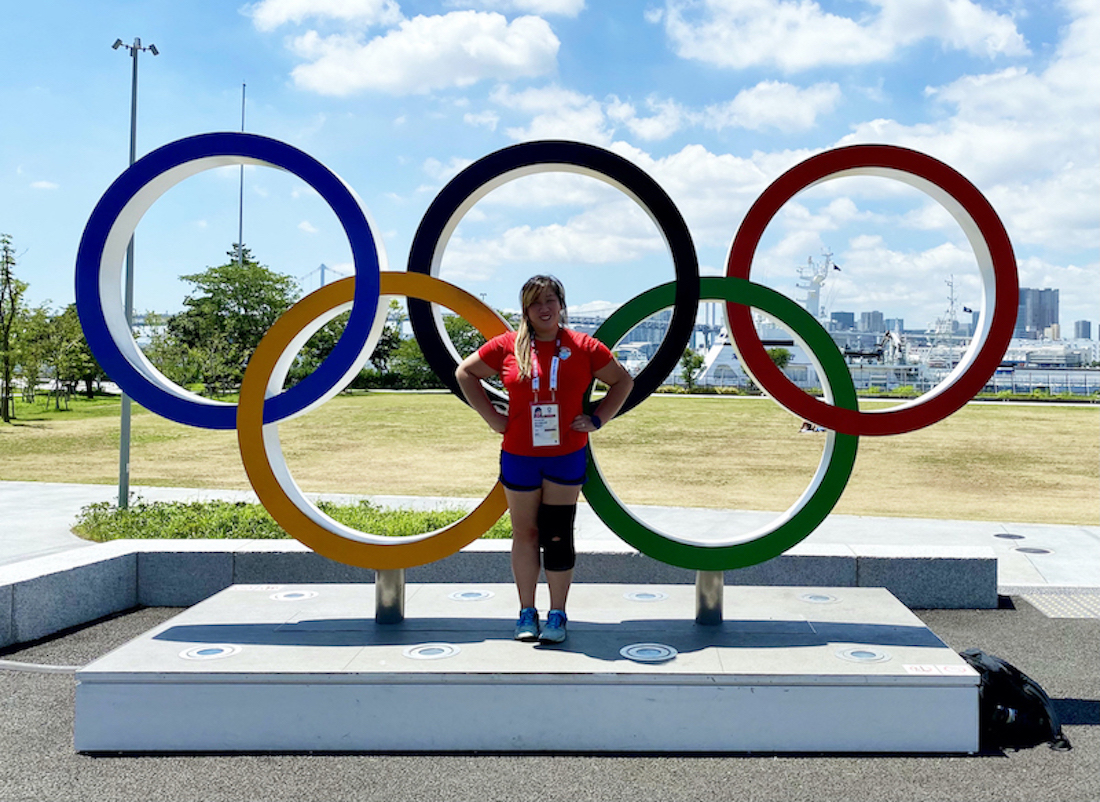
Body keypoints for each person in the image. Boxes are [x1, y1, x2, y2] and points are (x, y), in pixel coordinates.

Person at [456, 275, 633, 644]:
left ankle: (557, 614)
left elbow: (623, 382)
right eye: (536, 302)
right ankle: (526, 612)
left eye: (551, 300)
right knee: (525, 533)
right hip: (520, 454)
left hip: (566, 454)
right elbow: (465, 372)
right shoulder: (508, 346)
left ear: (561, 305)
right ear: (526, 309)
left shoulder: (583, 346)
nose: (545, 308)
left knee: (556, 534)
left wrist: (598, 418)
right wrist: (493, 418)